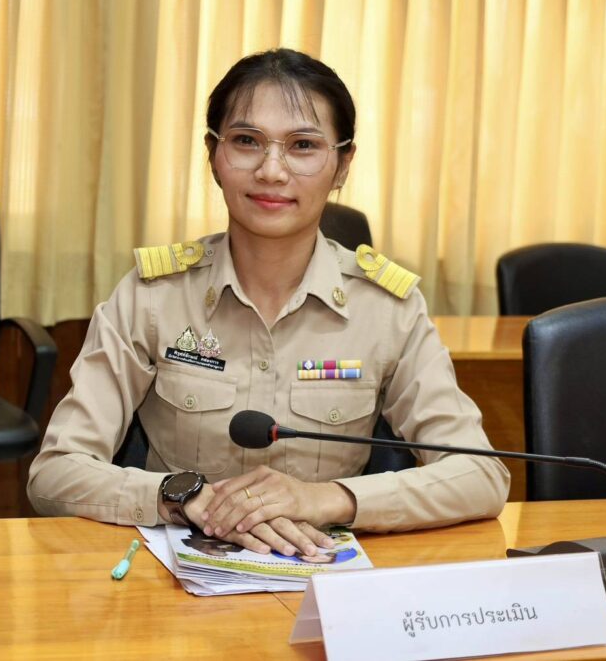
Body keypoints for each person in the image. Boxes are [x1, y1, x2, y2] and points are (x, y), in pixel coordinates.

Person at [28, 48, 509, 558]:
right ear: (213, 156)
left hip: (326, 573)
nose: (272, 171)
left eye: (303, 145)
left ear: (342, 164)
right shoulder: (153, 296)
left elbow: (480, 474)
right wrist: (188, 498)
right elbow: (55, 473)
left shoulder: (387, 308)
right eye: (246, 141)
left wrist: (327, 498)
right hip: (176, 576)